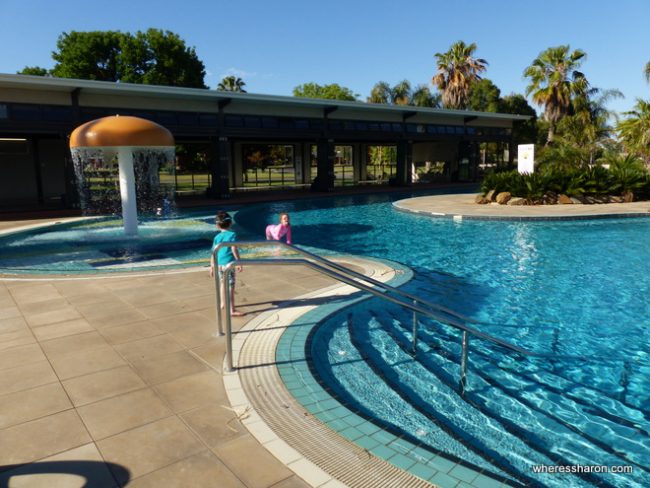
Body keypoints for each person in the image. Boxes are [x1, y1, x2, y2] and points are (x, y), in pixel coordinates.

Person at [210, 211, 244, 316]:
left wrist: (211, 266)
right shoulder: (232, 234)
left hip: (219, 265)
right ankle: (232, 310)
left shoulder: (217, 237)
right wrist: (239, 262)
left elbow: (214, 252)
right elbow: (234, 249)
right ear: (230, 223)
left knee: (222, 284)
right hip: (229, 265)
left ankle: (222, 303)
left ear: (217, 225)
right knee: (230, 286)